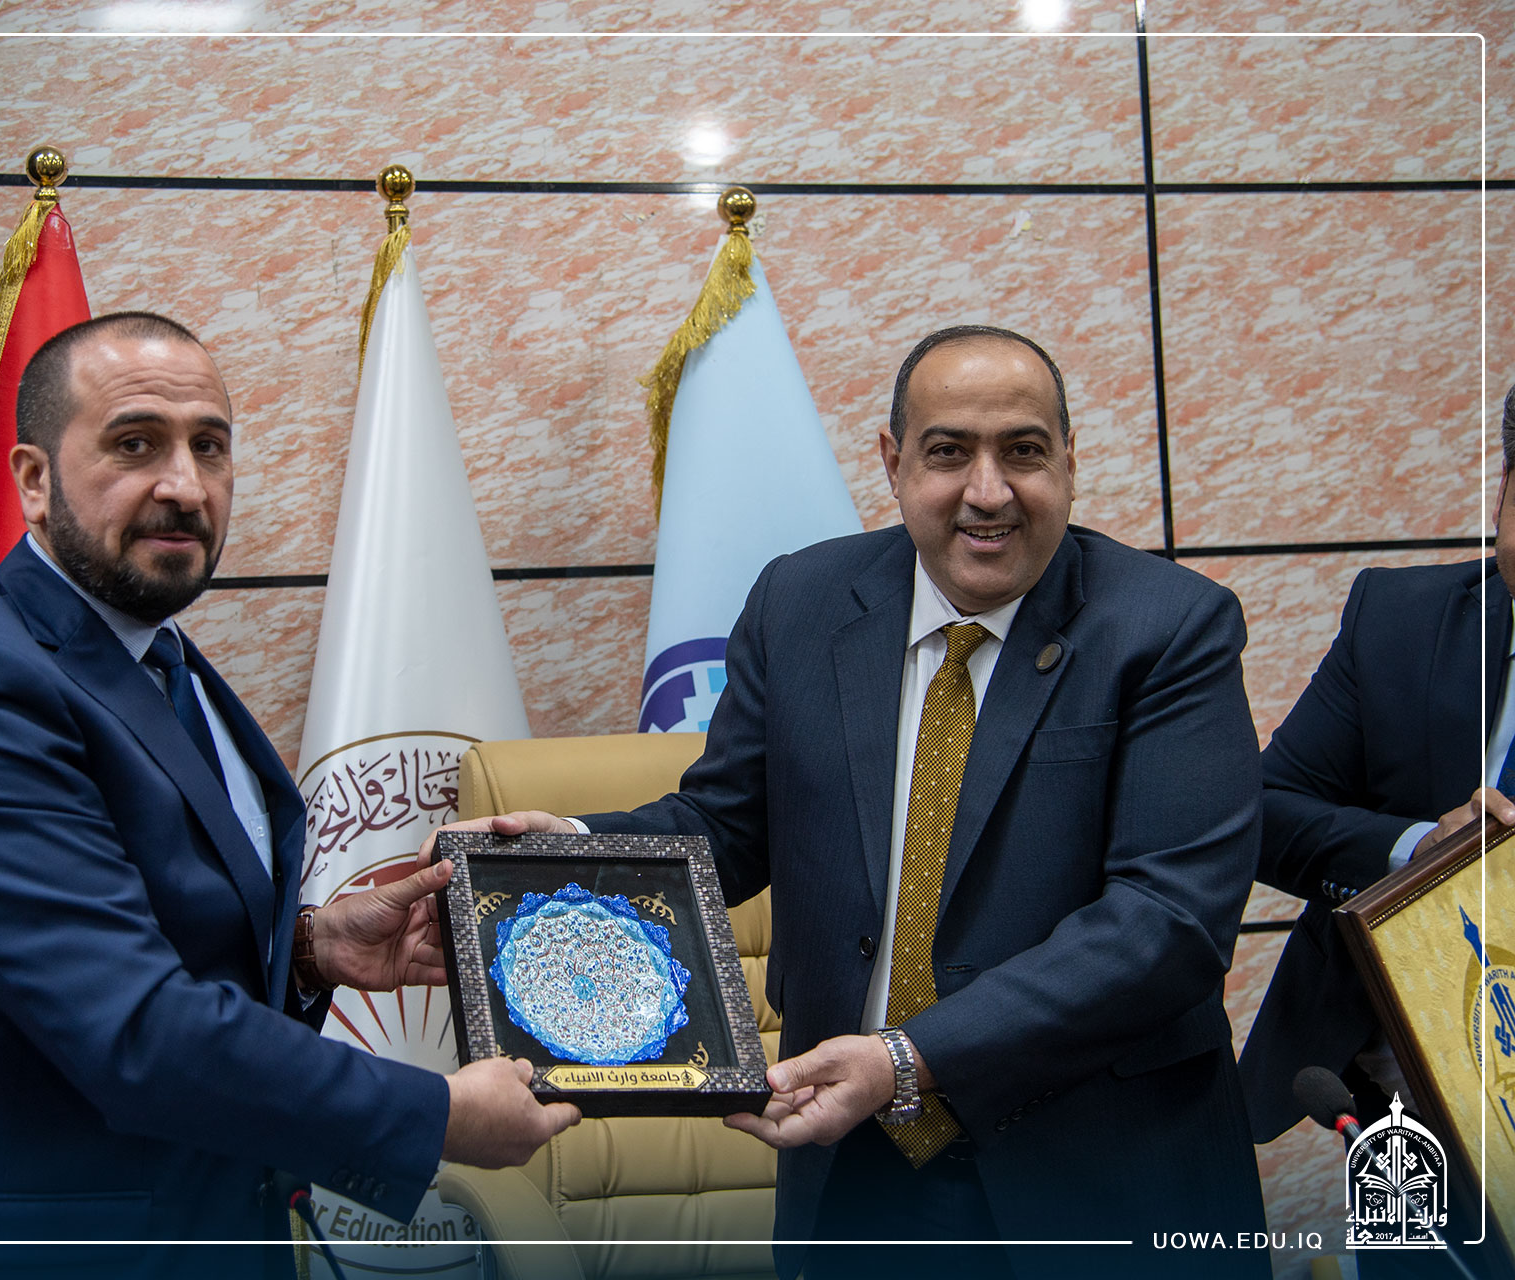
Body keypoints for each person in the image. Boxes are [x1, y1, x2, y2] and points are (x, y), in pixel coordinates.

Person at [435, 326, 1267, 1279]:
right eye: (948, 451)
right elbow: (725, 826)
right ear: (893, 461)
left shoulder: (1170, 627)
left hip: (1098, 1173)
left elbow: (1167, 922)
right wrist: (571, 849)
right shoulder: (801, 602)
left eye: (1023, 452)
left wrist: (910, 1057)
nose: (988, 491)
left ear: (1069, 463)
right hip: (858, 1173)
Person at [0, 312, 578, 1279]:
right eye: (136, 444)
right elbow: (134, 1030)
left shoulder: (155, 654)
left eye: (209, 447)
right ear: (34, 481)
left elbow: (166, 931)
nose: (184, 485)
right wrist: (437, 1115)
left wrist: (313, 950)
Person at [1239, 386, 1515, 1145]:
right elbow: (1263, 810)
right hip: (1405, 1106)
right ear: (1502, 491)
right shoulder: (1401, 619)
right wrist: (1422, 851)